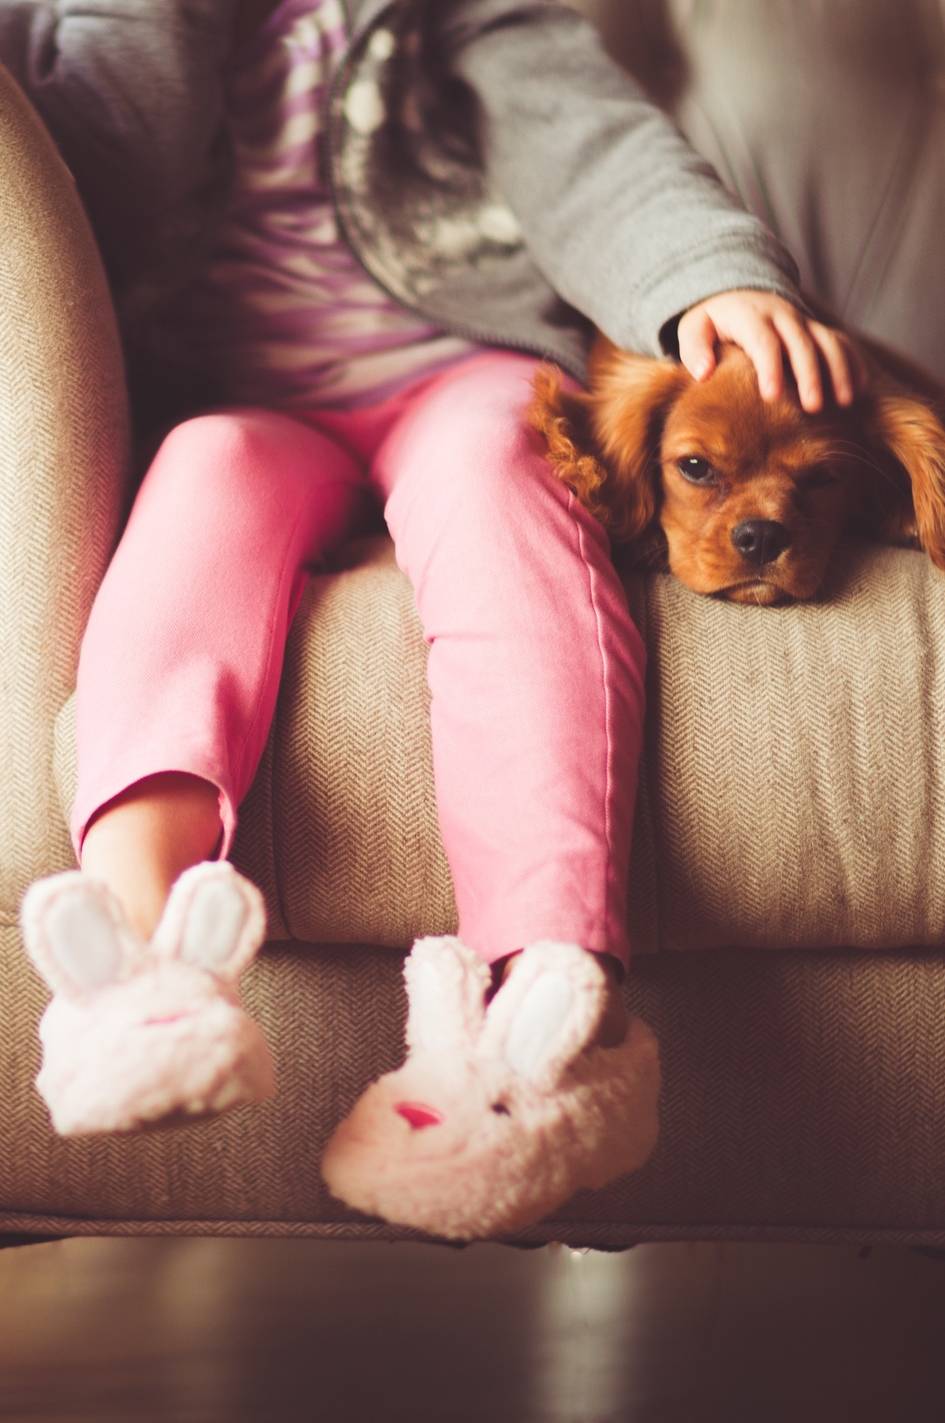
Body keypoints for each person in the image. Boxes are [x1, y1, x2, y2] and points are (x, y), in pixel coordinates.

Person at [10, 0, 861, 1192]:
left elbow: (589, 144)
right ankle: (138, 970)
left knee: (499, 478)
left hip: (458, 370)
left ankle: (548, 1016)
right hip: (229, 396)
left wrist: (704, 278)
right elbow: (93, 190)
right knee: (203, 478)